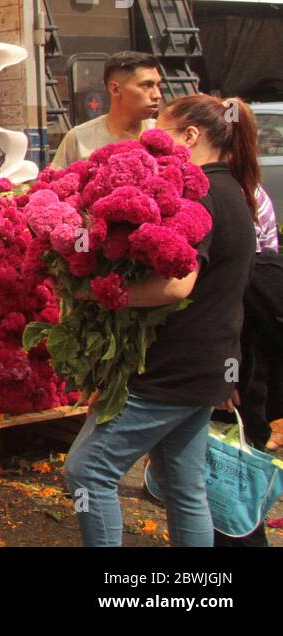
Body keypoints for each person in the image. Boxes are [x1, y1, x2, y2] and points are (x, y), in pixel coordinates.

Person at [64, 94, 258, 547]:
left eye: (160, 131)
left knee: (87, 471)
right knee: (182, 485)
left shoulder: (203, 196)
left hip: (172, 370)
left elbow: (176, 286)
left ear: (189, 136)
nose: (149, 139)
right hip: (207, 363)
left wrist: (100, 292)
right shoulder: (235, 191)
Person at [50, 51, 161, 169]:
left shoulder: (163, 135)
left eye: (158, 85)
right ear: (115, 89)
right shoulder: (79, 138)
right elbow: (53, 179)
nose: (157, 95)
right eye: (146, 85)